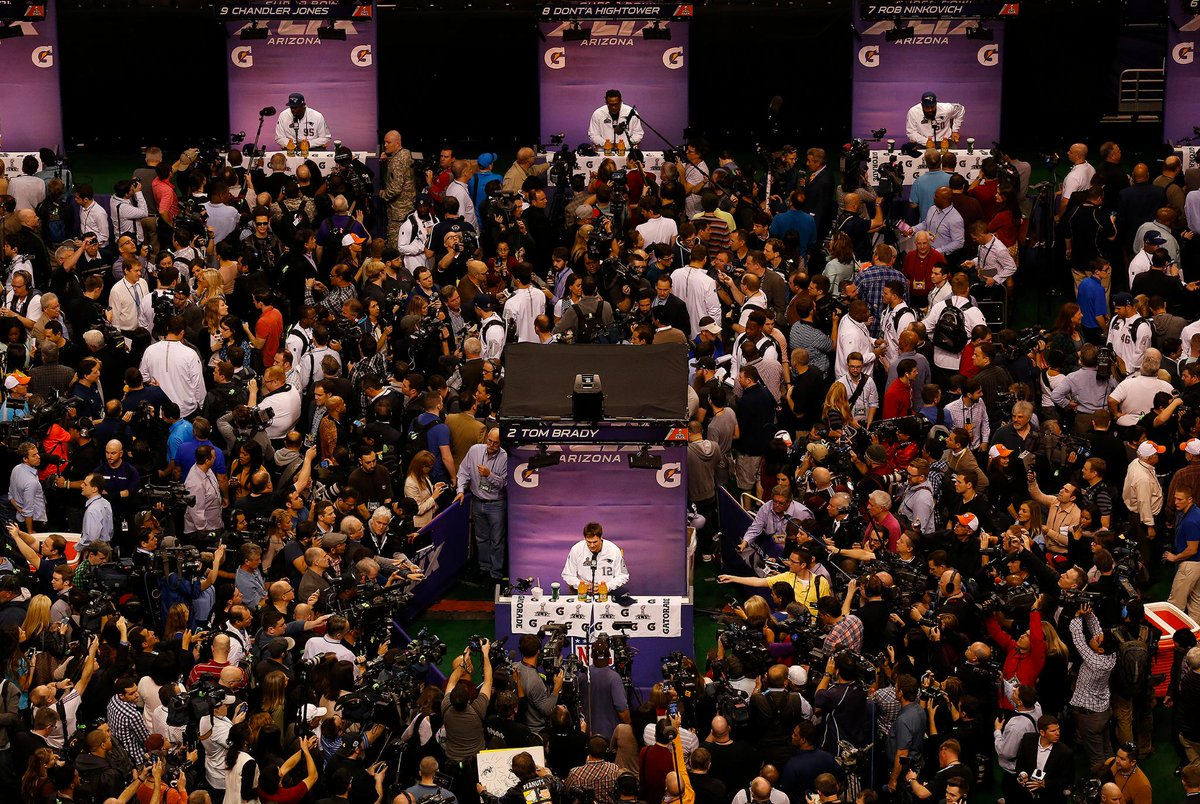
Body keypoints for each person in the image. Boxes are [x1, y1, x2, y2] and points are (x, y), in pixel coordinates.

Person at [455, 428, 508, 583]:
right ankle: (484, 569)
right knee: (481, 539)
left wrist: (489, 475)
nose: (491, 445)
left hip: (496, 504)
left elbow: (505, 484)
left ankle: (496, 574)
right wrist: (460, 490)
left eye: (495, 443)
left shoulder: (505, 457)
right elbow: (463, 471)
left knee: (497, 540)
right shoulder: (475, 450)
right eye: (489, 441)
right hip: (477, 501)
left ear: (500, 443)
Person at [562, 522, 629, 595]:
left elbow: (623, 576)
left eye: (595, 542)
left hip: (606, 592)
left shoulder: (614, 550)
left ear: (601, 538)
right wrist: (581, 585)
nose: (592, 545)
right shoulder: (576, 549)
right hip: (582, 592)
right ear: (585, 538)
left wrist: (606, 587)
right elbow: (567, 574)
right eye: (589, 542)